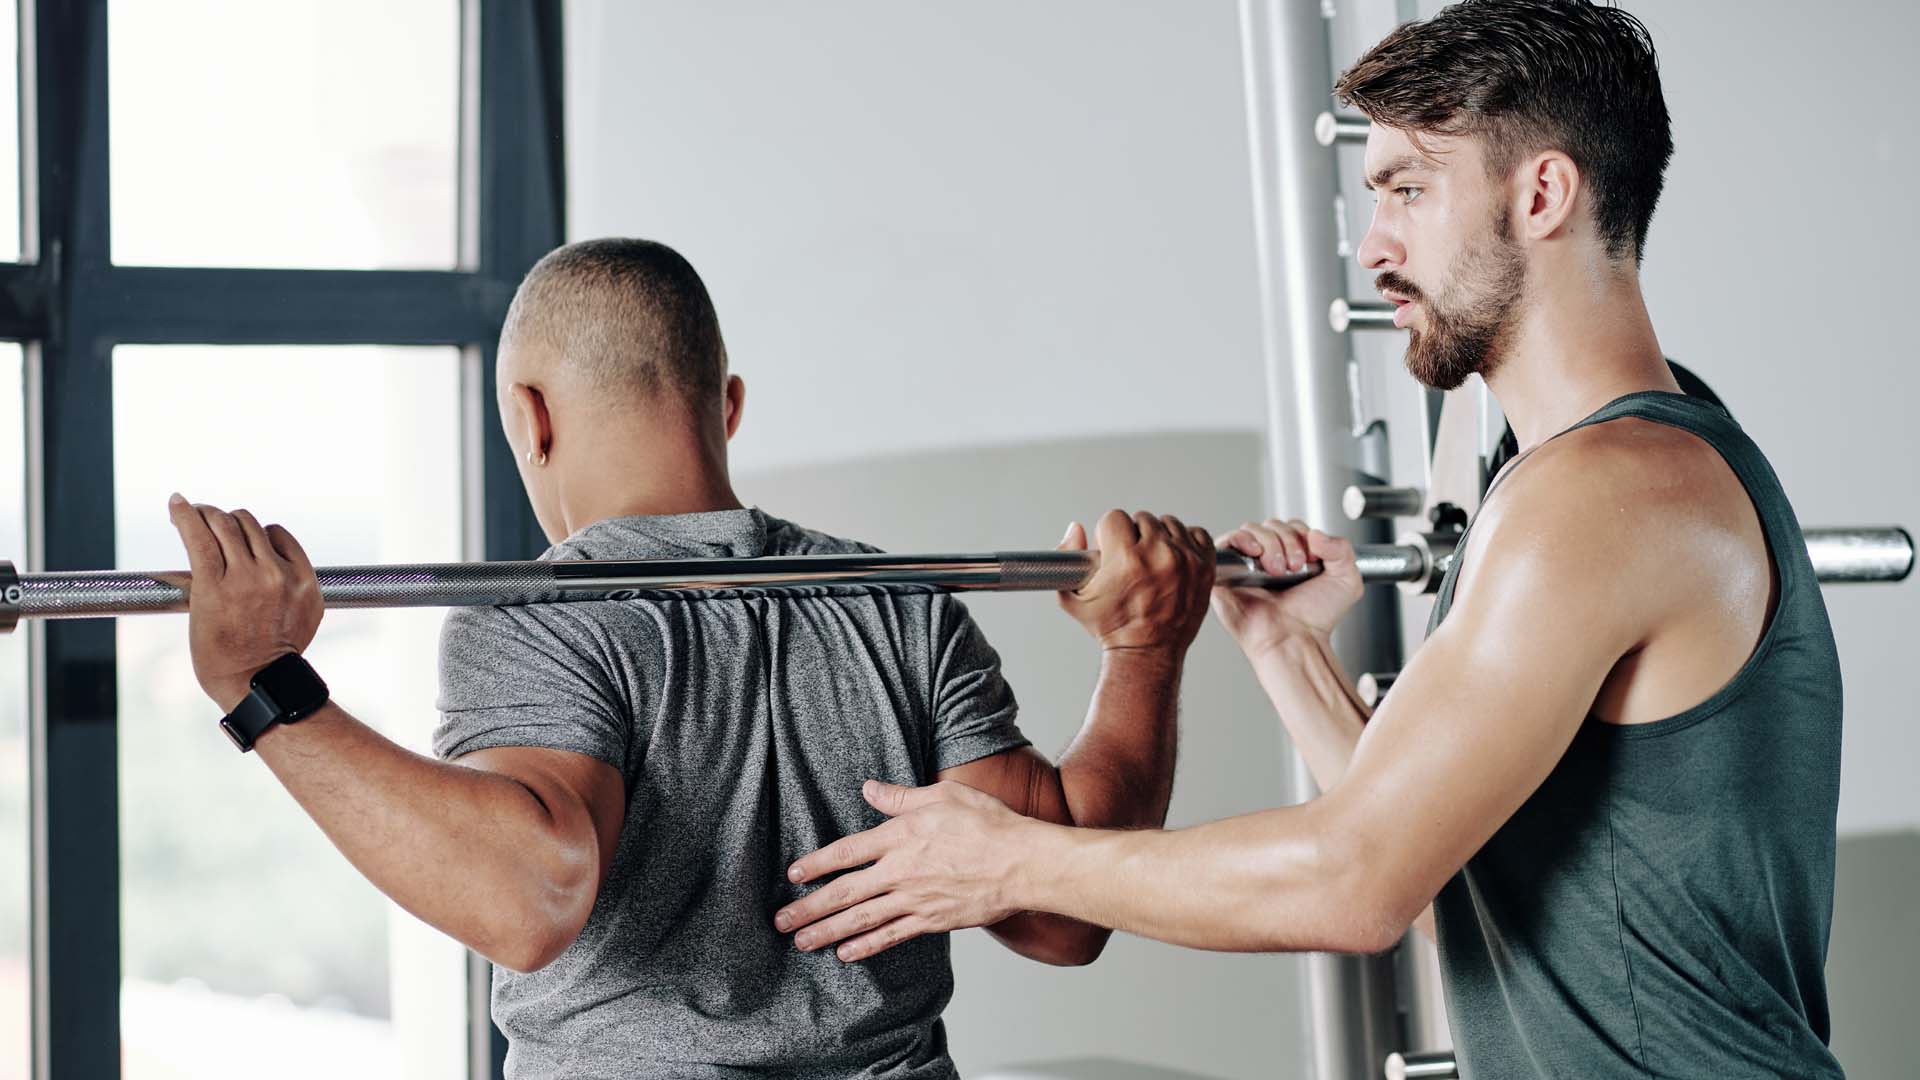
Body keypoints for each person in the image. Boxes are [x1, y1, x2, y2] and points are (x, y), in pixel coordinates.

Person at [774, 3, 1846, 1076]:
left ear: (1542, 194)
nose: (1376, 248)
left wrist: (1011, 862)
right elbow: (1451, 884)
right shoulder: (1611, 470)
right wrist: (1286, 648)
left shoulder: (1604, 495)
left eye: (1410, 193)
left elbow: (1356, 883)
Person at [165, 237, 1219, 1078]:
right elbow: (1062, 916)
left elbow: (529, 899)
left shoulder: (540, 613)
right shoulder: (897, 601)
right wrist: (1143, 648)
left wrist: (267, 689)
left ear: (530, 420)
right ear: (727, 404)